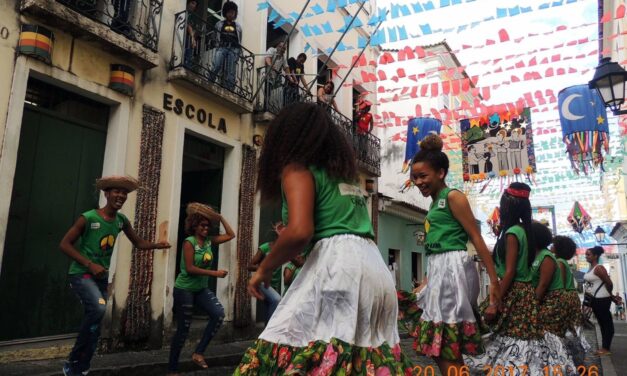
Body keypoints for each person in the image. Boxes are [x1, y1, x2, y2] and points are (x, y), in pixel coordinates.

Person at [234, 103, 412, 374]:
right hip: (374, 267)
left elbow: (299, 231)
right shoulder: (342, 172)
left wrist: (264, 269)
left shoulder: (297, 168)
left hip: (340, 270)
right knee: (359, 360)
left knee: (287, 344)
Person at [402, 134, 501, 375]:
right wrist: (427, 281)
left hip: (453, 270)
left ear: (441, 173)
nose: (418, 182)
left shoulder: (453, 197)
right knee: (439, 344)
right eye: (415, 177)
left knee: (444, 343)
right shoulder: (435, 203)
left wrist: (494, 282)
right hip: (441, 271)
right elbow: (436, 248)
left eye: (423, 176)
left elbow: (476, 238)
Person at [60, 176, 171, 376]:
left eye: (124, 193)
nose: (121, 196)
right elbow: (64, 244)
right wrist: (90, 264)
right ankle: (74, 359)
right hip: (82, 275)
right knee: (99, 308)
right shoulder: (89, 217)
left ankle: (81, 368)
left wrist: (158, 245)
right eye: (116, 192)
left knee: (95, 322)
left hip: (100, 277)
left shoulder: (121, 221)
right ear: (106, 194)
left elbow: (138, 243)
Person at [464, 183, 557, 374]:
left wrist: (494, 302)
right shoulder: (524, 231)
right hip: (523, 292)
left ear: (507, 207)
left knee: (511, 340)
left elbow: (510, 272)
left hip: (513, 292)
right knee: (521, 341)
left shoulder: (512, 233)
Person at [167, 202, 235, 375]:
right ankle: (172, 369)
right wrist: (215, 273)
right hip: (185, 289)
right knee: (184, 329)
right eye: (203, 225)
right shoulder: (189, 243)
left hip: (200, 289)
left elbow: (230, 235)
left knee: (218, 314)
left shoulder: (209, 242)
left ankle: (198, 352)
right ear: (194, 226)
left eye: (208, 225)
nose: (206, 228)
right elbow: (189, 268)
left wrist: (219, 217)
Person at [530, 222, 576, 373]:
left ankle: (562, 367)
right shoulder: (537, 256)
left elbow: (543, 285)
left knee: (550, 337)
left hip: (553, 302)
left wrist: (532, 304)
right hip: (547, 301)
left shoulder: (548, 257)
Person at [553, 235, 590, 367]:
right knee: (573, 329)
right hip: (572, 297)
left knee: (566, 329)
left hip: (566, 297)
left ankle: (571, 359)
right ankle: (576, 358)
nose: (551, 247)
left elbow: (560, 284)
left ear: (558, 249)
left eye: (553, 245)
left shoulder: (559, 262)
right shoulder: (563, 262)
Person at [247, 223, 285, 325]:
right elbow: (250, 265)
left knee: (269, 307)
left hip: (274, 284)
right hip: (262, 283)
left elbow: (299, 263)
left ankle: (265, 337)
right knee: (276, 300)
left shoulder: (284, 250)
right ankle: (268, 334)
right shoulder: (265, 247)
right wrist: (263, 268)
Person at [584, 246, 615, 355]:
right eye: (586, 254)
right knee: (601, 323)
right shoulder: (591, 268)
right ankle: (604, 347)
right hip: (595, 300)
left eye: (588, 254)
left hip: (602, 299)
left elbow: (609, 283)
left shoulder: (599, 268)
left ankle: (606, 349)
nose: (586, 256)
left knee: (606, 323)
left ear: (595, 256)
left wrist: (609, 294)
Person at [210, 1, 242, 90]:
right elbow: (215, 36)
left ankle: (229, 89)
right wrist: (217, 45)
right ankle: (210, 81)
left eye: (233, 12)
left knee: (231, 71)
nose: (231, 14)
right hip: (222, 46)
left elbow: (239, 39)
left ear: (235, 13)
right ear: (225, 12)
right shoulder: (219, 24)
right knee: (216, 65)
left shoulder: (238, 26)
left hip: (233, 49)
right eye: (229, 12)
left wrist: (238, 52)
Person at [263, 41, 289, 110]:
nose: (283, 50)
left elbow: (286, 68)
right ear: (278, 47)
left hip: (273, 77)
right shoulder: (272, 50)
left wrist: (289, 77)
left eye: (284, 49)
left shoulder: (283, 57)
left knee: (269, 92)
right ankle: (264, 107)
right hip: (266, 75)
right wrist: (270, 65)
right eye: (282, 48)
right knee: (266, 91)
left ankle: (267, 106)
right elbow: (267, 58)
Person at [184, 0, 200, 66]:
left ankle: (187, 66)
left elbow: (194, 29)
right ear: (188, 2)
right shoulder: (187, 13)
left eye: (195, 5)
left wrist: (193, 39)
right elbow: (189, 25)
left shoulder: (193, 16)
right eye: (192, 3)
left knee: (189, 54)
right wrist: (193, 38)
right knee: (187, 53)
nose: (193, 6)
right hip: (185, 37)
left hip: (189, 38)